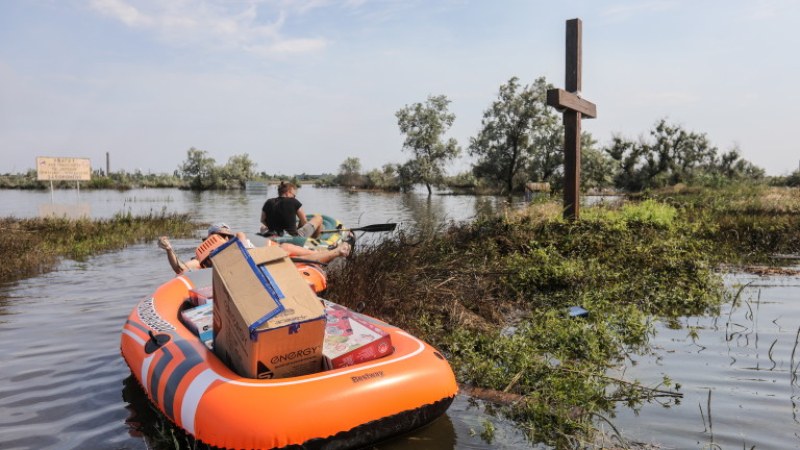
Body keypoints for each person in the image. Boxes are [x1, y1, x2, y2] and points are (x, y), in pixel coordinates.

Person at [159, 223, 349, 275]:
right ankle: (334, 252)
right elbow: (181, 269)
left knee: (287, 248)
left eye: (226, 235)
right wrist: (169, 249)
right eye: (220, 235)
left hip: (270, 252)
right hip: (265, 263)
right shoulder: (203, 259)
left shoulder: (239, 237)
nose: (224, 238)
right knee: (288, 257)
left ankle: (325, 251)